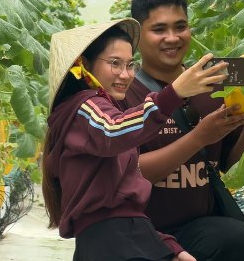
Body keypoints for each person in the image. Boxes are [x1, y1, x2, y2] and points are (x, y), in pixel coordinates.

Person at [42, 18, 230, 261]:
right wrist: (173, 93)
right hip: (110, 242)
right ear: (85, 65)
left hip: (125, 236)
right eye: (115, 63)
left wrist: (168, 246)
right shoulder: (84, 108)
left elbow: (125, 208)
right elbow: (114, 130)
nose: (125, 74)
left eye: (130, 65)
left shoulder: (98, 111)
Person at [120, 0, 244, 261]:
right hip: (140, 231)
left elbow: (227, 165)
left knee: (237, 239)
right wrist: (198, 137)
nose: (172, 38)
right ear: (137, 36)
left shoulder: (216, 85)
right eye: (159, 29)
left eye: (180, 27)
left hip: (199, 230)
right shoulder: (124, 92)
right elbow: (127, 174)